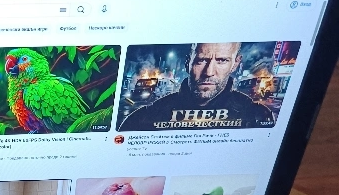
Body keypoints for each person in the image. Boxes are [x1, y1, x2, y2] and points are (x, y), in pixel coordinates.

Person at [117, 43, 275, 131]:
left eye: (222, 61)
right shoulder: (144, 118)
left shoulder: (256, 116)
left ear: (235, 64)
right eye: (201, 60)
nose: (209, 72)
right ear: (188, 63)